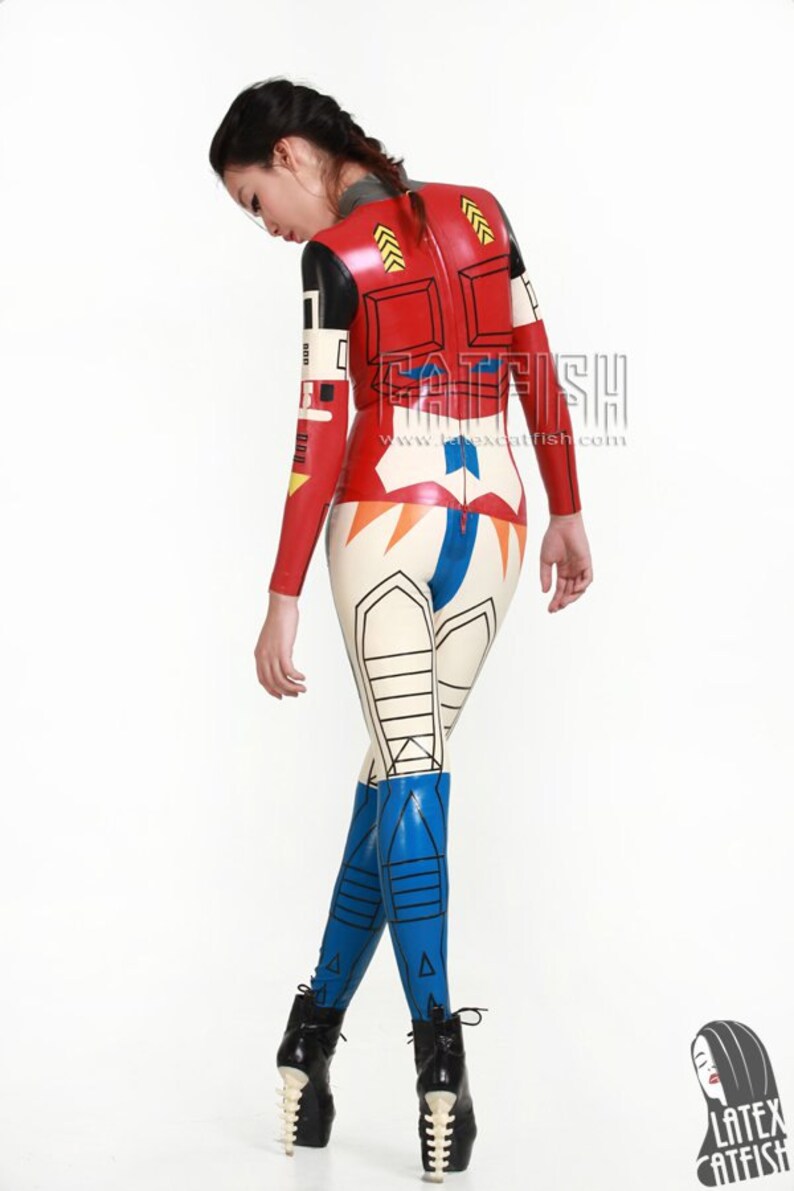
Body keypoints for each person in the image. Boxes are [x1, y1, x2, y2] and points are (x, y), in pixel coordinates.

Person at [208, 75, 593, 1180]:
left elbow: (319, 430)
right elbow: (536, 366)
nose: (267, 227)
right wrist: (566, 508)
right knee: (403, 775)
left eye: (255, 200)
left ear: (291, 154)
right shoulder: (482, 214)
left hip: (384, 525)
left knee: (405, 775)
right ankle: (323, 1043)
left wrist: (282, 589)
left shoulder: (333, 260)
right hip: (497, 526)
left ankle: (428, 1058)